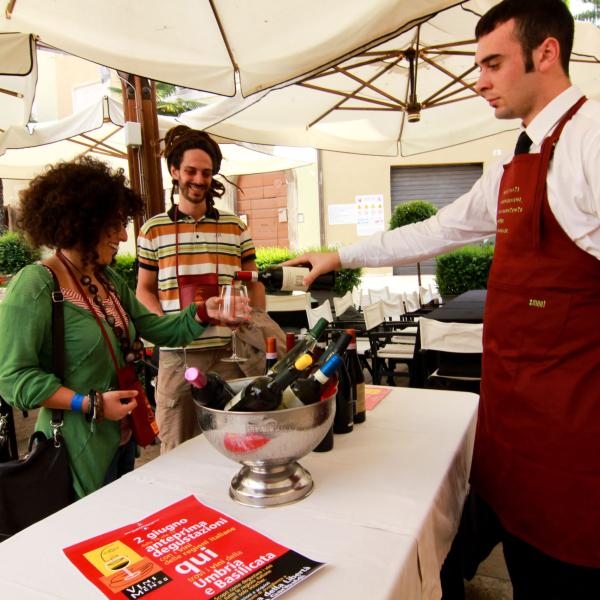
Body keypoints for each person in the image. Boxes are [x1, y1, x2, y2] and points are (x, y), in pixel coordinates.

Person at [285, 0, 600, 596]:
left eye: (493, 63)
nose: (478, 81)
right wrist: (341, 255)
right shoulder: (514, 158)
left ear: (547, 53)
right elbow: (439, 229)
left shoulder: (591, 140)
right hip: (511, 413)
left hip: (575, 427)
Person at [0, 157, 246, 499]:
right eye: (115, 223)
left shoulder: (107, 279)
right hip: (73, 452)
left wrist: (203, 312)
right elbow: (14, 380)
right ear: (82, 220)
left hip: (123, 441)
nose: (123, 235)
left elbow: (160, 330)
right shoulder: (35, 285)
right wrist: (91, 404)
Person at [137, 125, 275, 453]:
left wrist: (252, 320)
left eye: (206, 173)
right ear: (174, 171)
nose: (198, 179)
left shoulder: (235, 226)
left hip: (232, 352)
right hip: (179, 355)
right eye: (190, 171)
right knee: (176, 444)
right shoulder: (153, 229)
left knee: (236, 442)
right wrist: (166, 328)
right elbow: (144, 290)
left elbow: (253, 283)